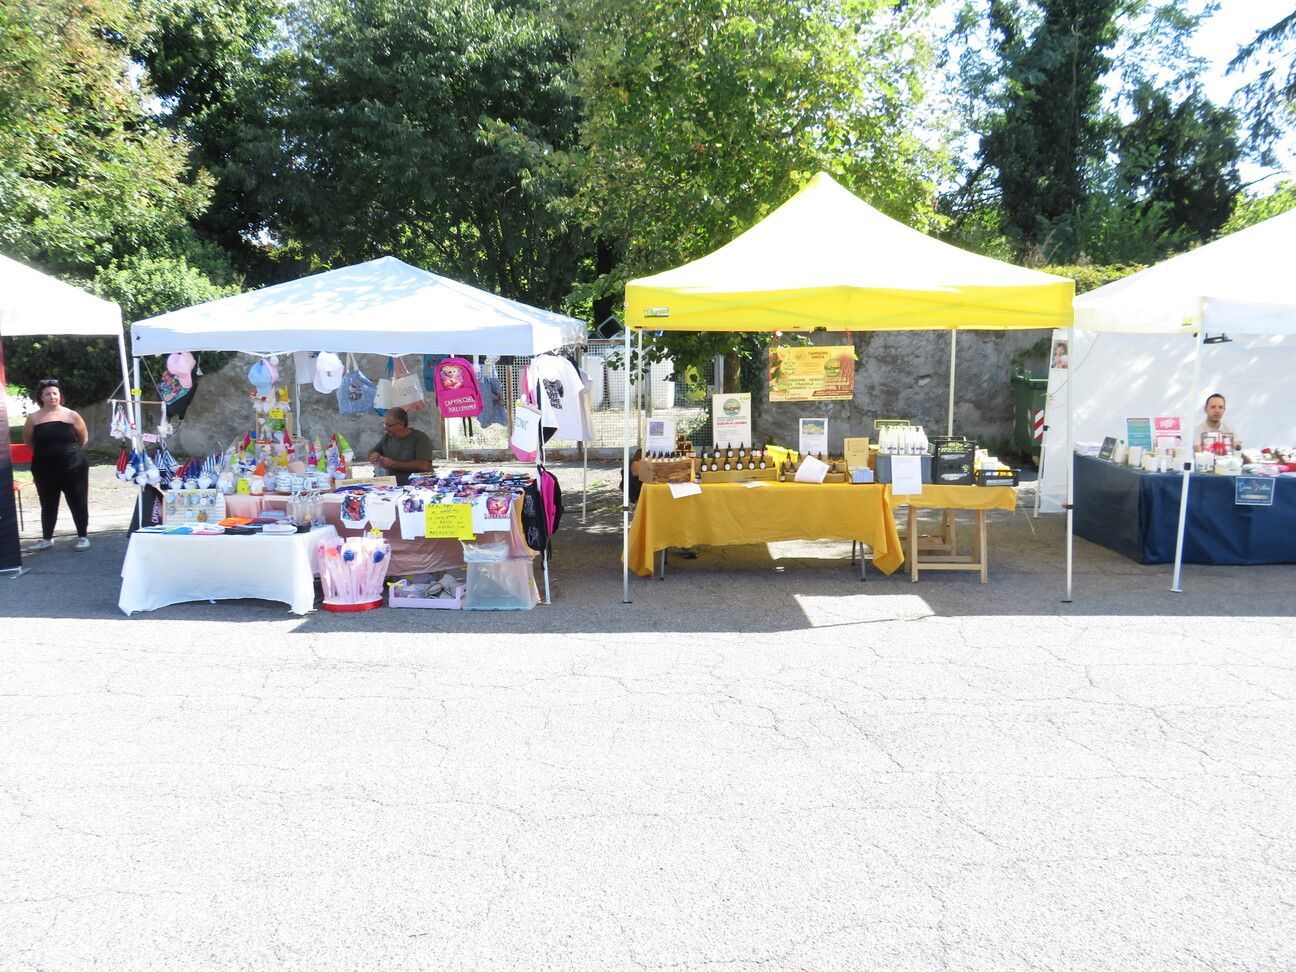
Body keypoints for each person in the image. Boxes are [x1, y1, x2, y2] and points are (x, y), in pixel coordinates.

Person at [22, 378, 91, 550]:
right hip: (44, 469)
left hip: (73, 467)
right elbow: (29, 442)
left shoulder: (71, 415)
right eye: (47, 394)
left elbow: (83, 439)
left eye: (55, 393)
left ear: (60, 396)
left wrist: (67, 453)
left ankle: (82, 537)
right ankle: (47, 539)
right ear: (41, 397)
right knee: (48, 503)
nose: (52, 396)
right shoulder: (33, 418)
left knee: (78, 501)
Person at [366, 407, 434, 486]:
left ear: (401, 424)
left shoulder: (420, 438)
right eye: (385, 425)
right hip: (391, 485)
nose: (386, 429)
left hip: (415, 486)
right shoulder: (388, 437)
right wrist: (373, 454)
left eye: (389, 425)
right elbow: (372, 451)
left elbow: (423, 466)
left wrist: (393, 464)